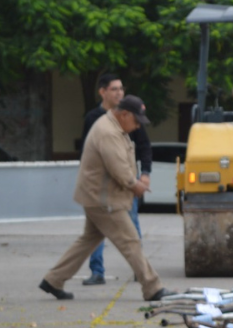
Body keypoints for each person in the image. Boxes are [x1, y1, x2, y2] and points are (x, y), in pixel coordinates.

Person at [40, 95, 172, 303]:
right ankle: (152, 287)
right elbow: (118, 167)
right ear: (124, 114)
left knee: (88, 241)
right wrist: (135, 185)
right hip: (104, 200)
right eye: (136, 121)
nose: (137, 126)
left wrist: (137, 181)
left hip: (97, 197)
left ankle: (53, 280)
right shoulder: (108, 132)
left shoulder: (113, 127)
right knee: (131, 241)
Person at [81, 73, 153, 286]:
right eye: (114, 89)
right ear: (102, 92)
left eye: (121, 88)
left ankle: (139, 271)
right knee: (95, 229)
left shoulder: (129, 115)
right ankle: (97, 271)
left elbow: (144, 146)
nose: (119, 93)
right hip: (100, 185)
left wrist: (145, 173)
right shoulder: (93, 118)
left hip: (125, 182)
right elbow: (87, 153)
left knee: (131, 226)